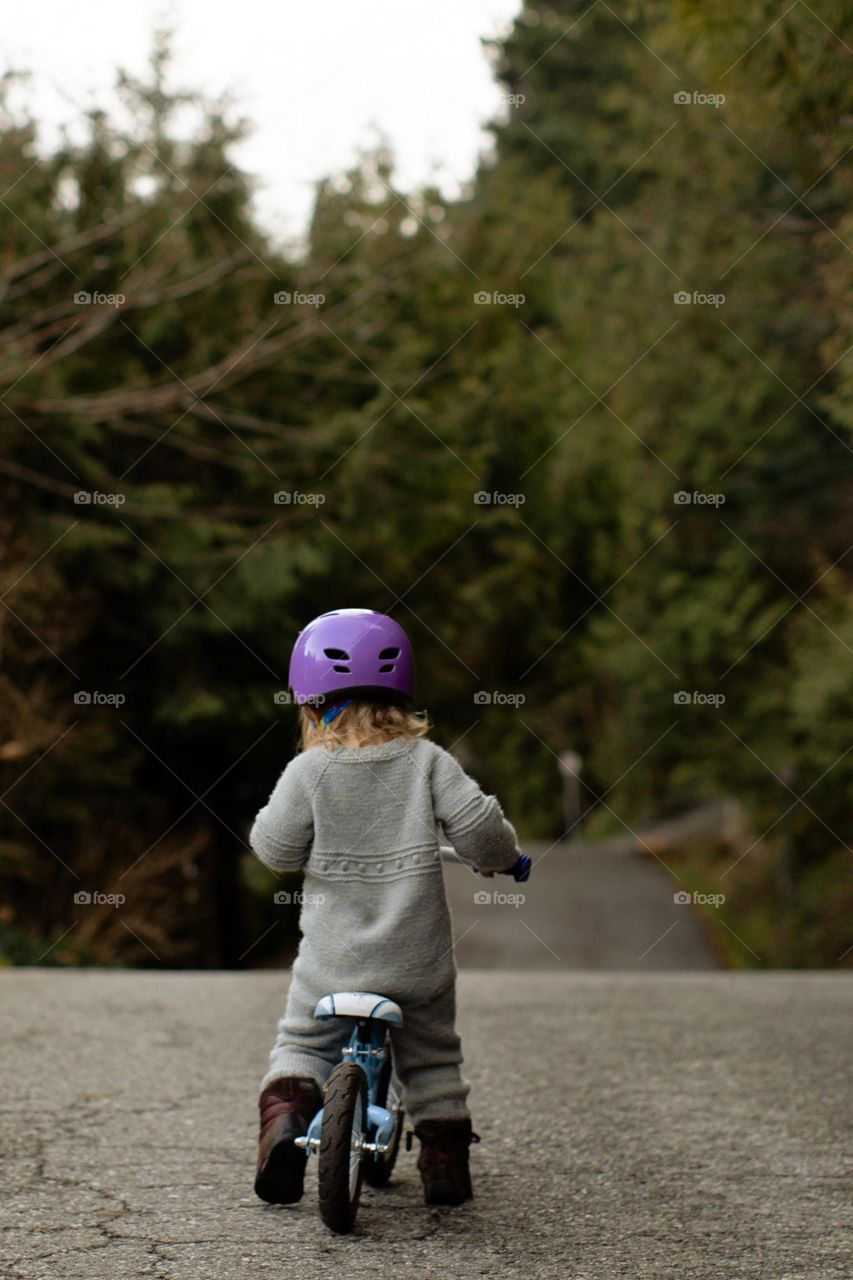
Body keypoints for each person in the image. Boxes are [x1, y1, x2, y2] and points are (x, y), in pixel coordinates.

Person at [250, 607, 528, 1208]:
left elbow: (274, 848)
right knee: (431, 1058)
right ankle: (445, 1159)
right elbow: (482, 834)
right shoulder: (429, 763)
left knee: (300, 1041)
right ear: (400, 694)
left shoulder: (309, 770)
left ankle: (285, 1123)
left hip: (332, 964)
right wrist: (506, 859)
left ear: (309, 701)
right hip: (415, 964)